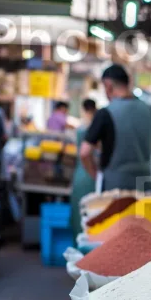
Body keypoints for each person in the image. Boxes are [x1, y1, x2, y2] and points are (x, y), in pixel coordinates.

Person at [80, 64, 151, 192]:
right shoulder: (147, 110)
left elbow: (84, 152)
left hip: (115, 188)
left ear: (108, 85)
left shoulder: (106, 113)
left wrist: (96, 175)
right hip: (145, 184)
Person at [70, 99, 97, 238]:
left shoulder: (81, 127)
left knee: (79, 215)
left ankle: (77, 251)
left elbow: (82, 153)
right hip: (92, 173)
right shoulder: (96, 125)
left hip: (81, 172)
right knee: (93, 215)